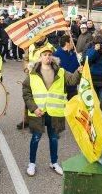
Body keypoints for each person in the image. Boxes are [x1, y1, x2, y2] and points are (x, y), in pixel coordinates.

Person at [22, 44, 81, 177]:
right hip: (39, 112)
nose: (48, 57)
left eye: (49, 55)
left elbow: (72, 80)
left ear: (52, 57)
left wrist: (80, 71)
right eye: (45, 55)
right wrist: (34, 108)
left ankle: (54, 162)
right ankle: (32, 163)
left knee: (53, 138)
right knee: (36, 138)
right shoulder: (32, 74)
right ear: (40, 58)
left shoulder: (60, 71)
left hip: (55, 112)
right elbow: (26, 92)